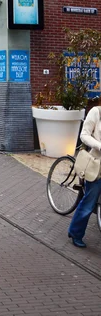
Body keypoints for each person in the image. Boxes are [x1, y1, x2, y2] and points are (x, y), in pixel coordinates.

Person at [68, 105, 101, 248]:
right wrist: (100, 145)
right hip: (97, 165)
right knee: (89, 202)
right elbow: (84, 135)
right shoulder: (96, 112)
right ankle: (76, 233)